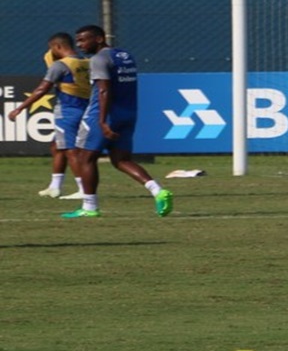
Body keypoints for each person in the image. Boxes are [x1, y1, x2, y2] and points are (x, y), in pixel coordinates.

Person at [67, 25, 174, 219]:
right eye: (78, 41)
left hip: (103, 114)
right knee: (121, 160)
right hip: (128, 113)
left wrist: (102, 121)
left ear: (99, 39)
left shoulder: (99, 59)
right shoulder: (125, 55)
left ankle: (89, 207)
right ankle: (158, 191)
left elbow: (104, 90)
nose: (80, 45)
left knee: (85, 158)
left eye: (83, 40)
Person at [9, 34, 91, 199]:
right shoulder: (86, 62)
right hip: (85, 107)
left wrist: (20, 108)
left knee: (70, 150)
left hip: (67, 110)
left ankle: (83, 189)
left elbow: (42, 89)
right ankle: (55, 186)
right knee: (57, 147)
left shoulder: (60, 65)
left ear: (57, 47)